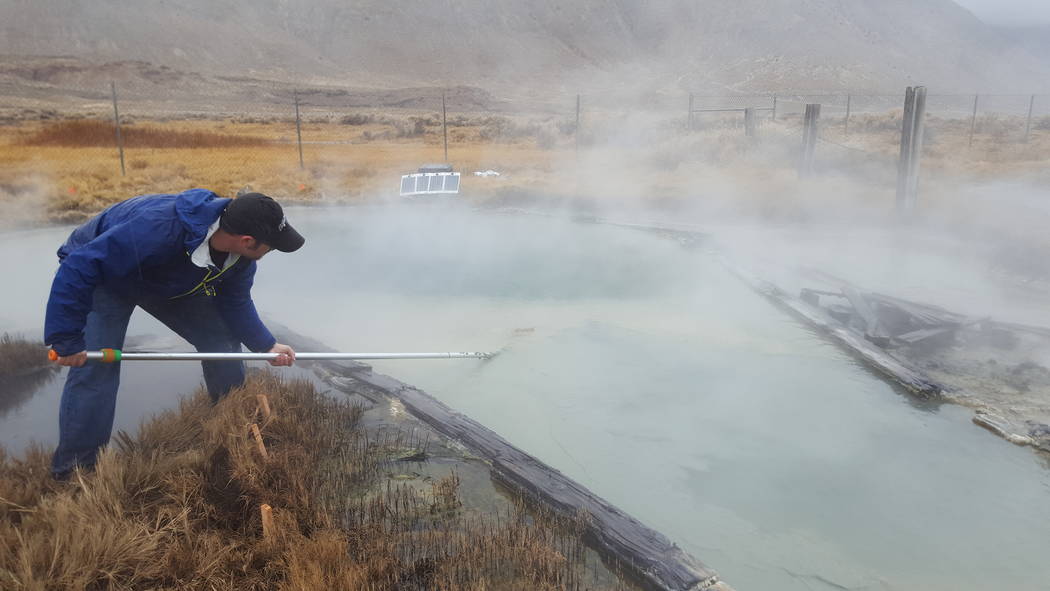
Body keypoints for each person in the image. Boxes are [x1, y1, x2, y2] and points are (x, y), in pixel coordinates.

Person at [44, 188, 305, 479]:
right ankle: (76, 472)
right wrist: (65, 338)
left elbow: (235, 301)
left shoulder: (241, 258)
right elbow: (79, 266)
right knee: (96, 367)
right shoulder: (158, 229)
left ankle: (229, 429)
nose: (270, 252)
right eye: (271, 246)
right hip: (105, 275)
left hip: (166, 276)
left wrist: (266, 345)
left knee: (221, 340)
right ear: (247, 240)